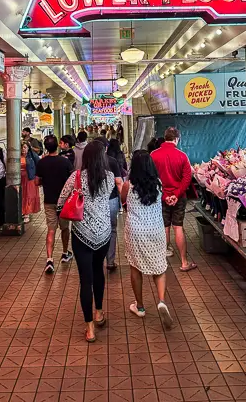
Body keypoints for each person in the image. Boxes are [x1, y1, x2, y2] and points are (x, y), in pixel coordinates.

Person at [57, 141, 114, 343]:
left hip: (81, 234)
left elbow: (61, 202)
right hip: (104, 234)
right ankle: (99, 312)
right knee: (99, 271)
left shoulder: (76, 177)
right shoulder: (109, 178)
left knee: (85, 280)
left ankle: (89, 328)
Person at [122, 150, 173, 328]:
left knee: (136, 268)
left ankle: (140, 306)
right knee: (159, 267)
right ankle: (161, 301)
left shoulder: (129, 185)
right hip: (156, 230)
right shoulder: (158, 184)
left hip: (136, 231)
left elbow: (123, 201)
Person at [151, 127, 196, 272]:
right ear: (177, 139)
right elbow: (187, 178)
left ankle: (161, 261)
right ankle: (184, 262)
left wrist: (164, 195)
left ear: (165, 138)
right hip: (179, 198)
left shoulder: (153, 155)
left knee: (164, 227)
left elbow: (151, 178)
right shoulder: (182, 156)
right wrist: (176, 194)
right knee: (178, 227)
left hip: (161, 197)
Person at [35, 135, 73, 273]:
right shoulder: (65, 162)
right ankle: (64, 253)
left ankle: (49, 259)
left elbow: (37, 182)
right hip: (64, 202)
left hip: (49, 200)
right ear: (57, 146)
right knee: (65, 228)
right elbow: (72, 180)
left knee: (51, 229)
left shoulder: (41, 163)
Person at [96, 136, 123, 271]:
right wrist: (124, 201)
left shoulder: (89, 162)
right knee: (112, 230)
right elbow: (119, 182)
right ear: (106, 148)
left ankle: (97, 260)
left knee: (97, 229)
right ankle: (110, 261)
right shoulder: (112, 161)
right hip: (111, 200)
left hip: (95, 201)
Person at [21, 142, 41, 222]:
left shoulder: (32, 156)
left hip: (29, 179)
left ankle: (27, 213)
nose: (23, 149)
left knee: (28, 195)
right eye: (22, 147)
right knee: (22, 195)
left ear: (28, 148)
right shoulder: (18, 156)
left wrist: (37, 176)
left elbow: (39, 164)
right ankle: (22, 211)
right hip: (20, 179)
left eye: (25, 147)